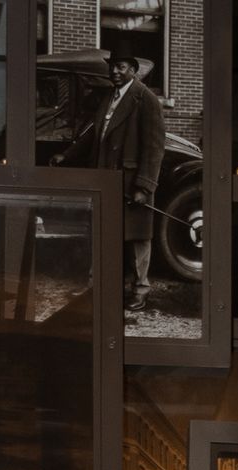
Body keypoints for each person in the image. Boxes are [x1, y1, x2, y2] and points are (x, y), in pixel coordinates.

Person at [89, 54, 167, 304]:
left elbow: (154, 147)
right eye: (112, 67)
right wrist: (65, 155)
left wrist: (144, 186)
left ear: (133, 71)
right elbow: (96, 134)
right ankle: (103, 288)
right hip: (109, 180)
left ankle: (140, 291)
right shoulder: (109, 98)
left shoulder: (146, 99)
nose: (114, 71)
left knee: (137, 239)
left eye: (121, 67)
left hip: (132, 182)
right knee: (106, 234)